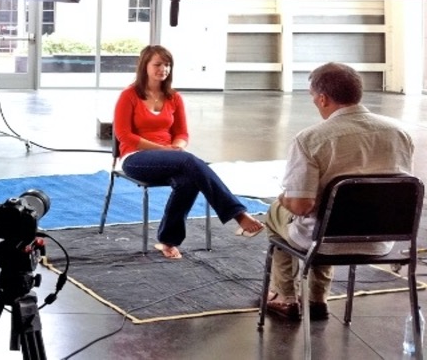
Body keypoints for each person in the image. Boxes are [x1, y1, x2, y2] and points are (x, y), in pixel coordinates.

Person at [263, 62, 414, 321]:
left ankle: (285, 297)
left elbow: (300, 206)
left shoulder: (310, 139)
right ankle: (317, 299)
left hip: (324, 243)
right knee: (333, 216)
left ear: (322, 98)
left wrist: (282, 198)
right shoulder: (399, 133)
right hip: (380, 241)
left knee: (277, 215)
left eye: (312, 97)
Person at [113, 45, 265, 259]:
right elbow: (124, 135)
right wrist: (165, 150)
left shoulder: (174, 97)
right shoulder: (129, 96)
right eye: (158, 64)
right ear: (144, 66)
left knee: (188, 180)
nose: (163, 69)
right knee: (189, 163)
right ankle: (238, 215)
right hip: (136, 158)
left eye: (167, 65)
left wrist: (177, 147)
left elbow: (182, 133)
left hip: (172, 158)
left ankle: (168, 241)